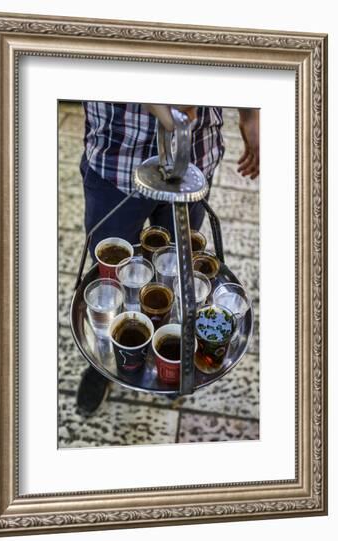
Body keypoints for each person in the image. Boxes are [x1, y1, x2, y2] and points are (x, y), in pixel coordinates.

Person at [76, 102, 259, 415]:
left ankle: (170, 360)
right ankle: (107, 359)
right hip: (117, 151)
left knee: (176, 269)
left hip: (193, 156)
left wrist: (250, 115)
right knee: (108, 274)